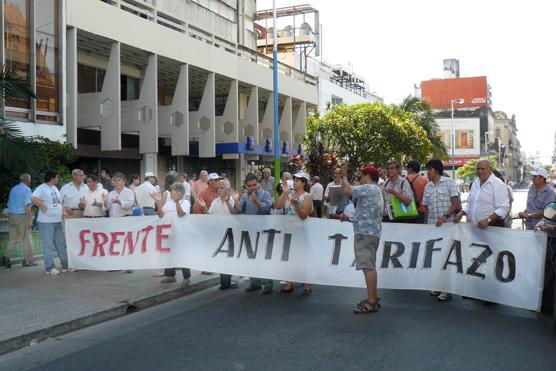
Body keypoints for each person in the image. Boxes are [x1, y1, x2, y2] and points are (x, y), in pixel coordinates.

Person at [340, 165, 384, 314]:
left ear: (367, 176)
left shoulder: (370, 188)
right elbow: (366, 214)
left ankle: (372, 302)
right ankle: (372, 298)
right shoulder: (376, 190)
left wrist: (344, 176)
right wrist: (350, 218)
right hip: (369, 232)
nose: (361, 179)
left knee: (368, 267)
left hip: (365, 234)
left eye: (362, 176)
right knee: (368, 266)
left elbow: (347, 190)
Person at [422, 159, 461, 302]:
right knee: (436, 256)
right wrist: (426, 225)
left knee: (447, 257)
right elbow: (425, 207)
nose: (427, 172)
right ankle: (438, 285)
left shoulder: (449, 183)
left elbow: (456, 204)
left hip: (448, 225)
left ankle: (447, 289)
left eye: (429, 169)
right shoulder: (428, 186)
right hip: (433, 227)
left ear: (436, 170)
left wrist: (445, 217)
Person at [275, 171, 314, 296]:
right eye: (295, 180)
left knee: (302, 257)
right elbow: (278, 206)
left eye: (298, 180)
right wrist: (285, 192)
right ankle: (289, 283)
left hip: (301, 231)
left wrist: (296, 205)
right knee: (288, 256)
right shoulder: (289, 194)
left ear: (303, 183)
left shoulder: (307, 196)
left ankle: (306, 284)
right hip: (288, 230)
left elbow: (304, 215)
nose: (295, 182)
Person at [151, 181, 192, 284]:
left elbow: (181, 214)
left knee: (182, 255)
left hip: (182, 234)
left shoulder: (185, 202)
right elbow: (160, 215)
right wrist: (158, 202)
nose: (171, 194)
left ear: (179, 193)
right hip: (169, 233)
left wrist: (177, 202)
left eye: (173, 192)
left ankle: (186, 277)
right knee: (169, 254)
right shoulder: (169, 203)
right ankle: (170, 275)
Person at [240, 173, 273, 294]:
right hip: (250, 231)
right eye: (249, 186)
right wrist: (231, 201)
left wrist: (256, 202)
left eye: (254, 185)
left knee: (265, 257)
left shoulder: (265, 194)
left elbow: (267, 208)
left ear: (258, 184)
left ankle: (268, 284)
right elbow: (239, 211)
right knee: (251, 256)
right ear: (246, 186)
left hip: (264, 231)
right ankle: (255, 282)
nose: (252, 187)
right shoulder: (244, 196)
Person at [453, 159, 510, 229]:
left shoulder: (498, 184)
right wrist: (460, 213)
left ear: (490, 170)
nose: (480, 171)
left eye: (482, 169)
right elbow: (469, 205)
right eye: (478, 169)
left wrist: (488, 220)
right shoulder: (475, 183)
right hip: (473, 228)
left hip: (491, 228)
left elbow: (503, 208)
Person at [31, 170, 68, 275]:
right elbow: (33, 198)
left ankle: (65, 264)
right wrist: (41, 205)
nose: (58, 179)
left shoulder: (55, 188)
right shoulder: (41, 188)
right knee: (48, 245)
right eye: (57, 177)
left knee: (61, 243)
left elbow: (59, 202)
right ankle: (50, 267)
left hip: (57, 221)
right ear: (51, 178)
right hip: (46, 222)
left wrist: (63, 211)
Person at [208, 179, 240, 290]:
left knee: (230, 257)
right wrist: (202, 207)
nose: (219, 190)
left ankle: (232, 280)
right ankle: (224, 283)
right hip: (219, 234)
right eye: (218, 188)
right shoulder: (214, 202)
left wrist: (231, 201)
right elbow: (209, 216)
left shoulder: (233, 200)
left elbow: (237, 214)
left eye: (221, 188)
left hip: (231, 234)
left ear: (228, 189)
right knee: (221, 258)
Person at [1, 174, 36, 268]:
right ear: (27, 180)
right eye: (30, 179)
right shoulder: (27, 190)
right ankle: (28, 260)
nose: (30, 181)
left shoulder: (13, 189)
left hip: (12, 216)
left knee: (13, 239)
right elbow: (27, 206)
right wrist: (30, 220)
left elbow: (9, 204)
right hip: (22, 217)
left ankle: (6, 257)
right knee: (27, 239)